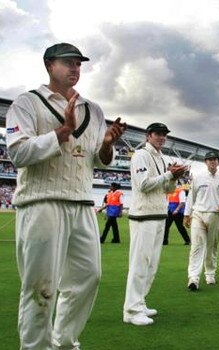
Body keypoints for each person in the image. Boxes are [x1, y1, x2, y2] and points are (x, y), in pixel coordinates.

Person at [7, 42, 126, 348]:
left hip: (82, 203)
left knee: (88, 278)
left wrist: (108, 143)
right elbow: (18, 152)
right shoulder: (27, 103)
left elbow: (98, 160)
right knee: (40, 285)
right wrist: (61, 132)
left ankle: (64, 341)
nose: (75, 68)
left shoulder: (93, 109)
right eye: (68, 63)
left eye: (78, 64)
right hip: (41, 202)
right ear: (49, 65)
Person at [123, 122, 187, 326]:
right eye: (158, 134)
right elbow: (143, 185)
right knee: (140, 263)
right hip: (144, 216)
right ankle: (131, 310)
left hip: (159, 215)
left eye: (164, 135)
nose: (162, 138)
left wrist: (175, 177)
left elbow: (167, 190)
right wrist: (169, 175)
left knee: (151, 265)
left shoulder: (161, 158)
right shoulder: (141, 155)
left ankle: (139, 303)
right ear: (148, 135)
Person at [184, 151, 219, 290]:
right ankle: (193, 278)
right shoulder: (198, 177)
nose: (212, 162)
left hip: (215, 215)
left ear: (218, 162)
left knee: (212, 246)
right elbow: (191, 197)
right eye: (210, 159)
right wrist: (187, 215)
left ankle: (210, 273)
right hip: (198, 214)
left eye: (215, 159)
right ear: (205, 162)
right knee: (196, 247)